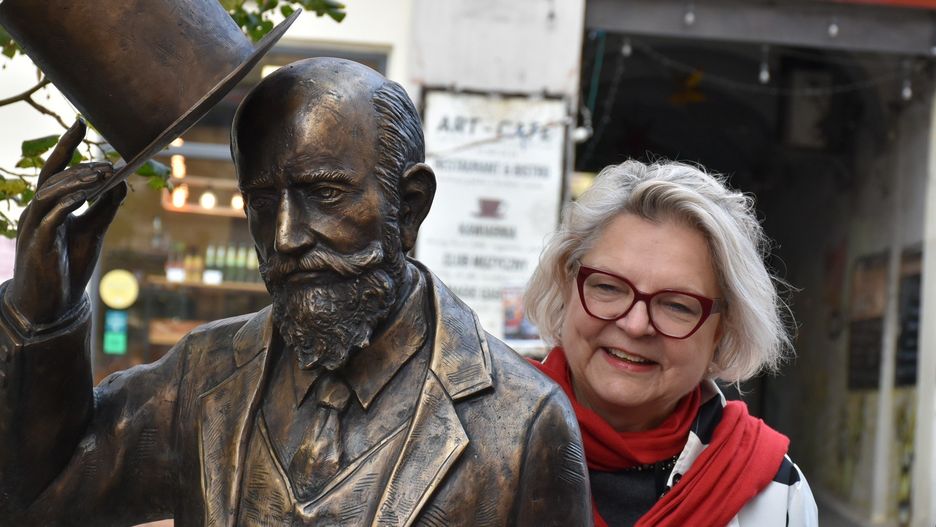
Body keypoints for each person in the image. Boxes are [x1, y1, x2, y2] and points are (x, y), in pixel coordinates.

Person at [0, 58, 591, 526]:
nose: (285, 236)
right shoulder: (203, 376)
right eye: (261, 203)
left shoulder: (525, 422)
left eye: (324, 193)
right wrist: (43, 317)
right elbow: (39, 498)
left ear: (409, 206)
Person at [525, 160, 819, 526]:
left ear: (723, 329)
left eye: (677, 305)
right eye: (608, 287)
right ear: (566, 283)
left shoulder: (774, 496)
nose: (635, 325)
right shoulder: (477, 440)